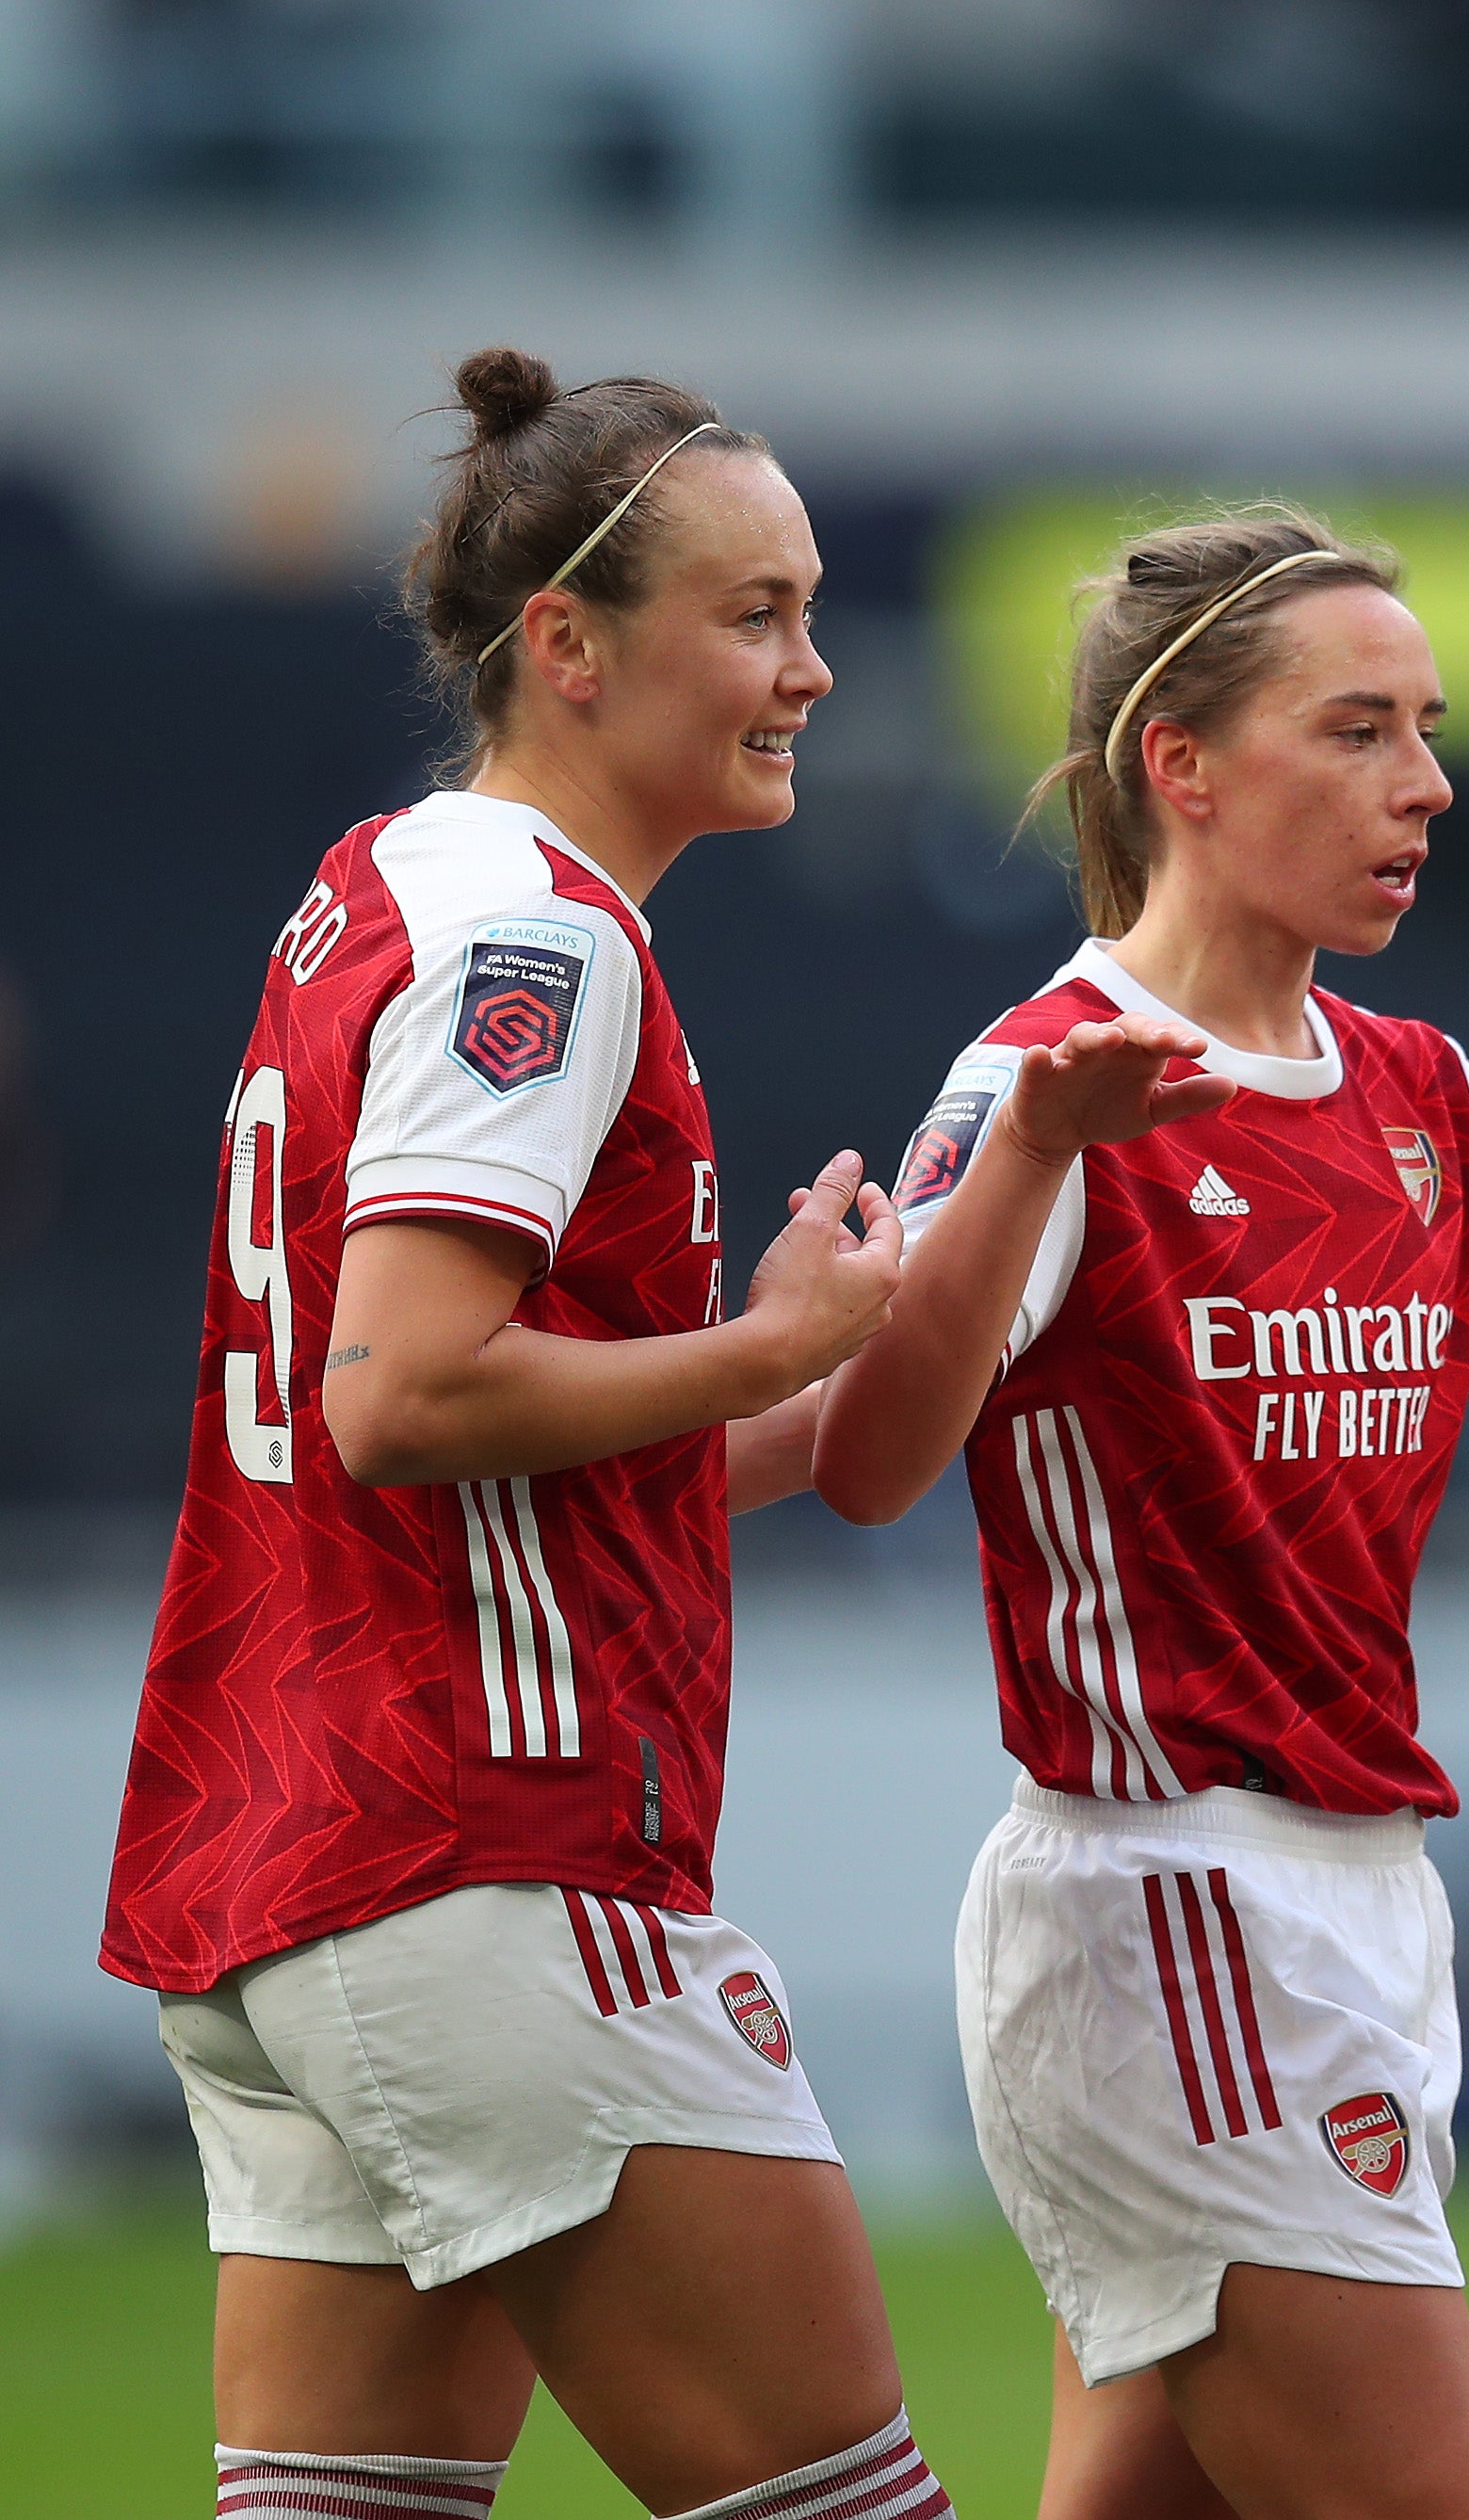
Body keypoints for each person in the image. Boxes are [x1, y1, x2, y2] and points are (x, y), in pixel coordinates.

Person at [103, 349, 949, 2520]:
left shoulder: (383, 884)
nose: (812, 668)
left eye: (811, 606)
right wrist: (763, 1355)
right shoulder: (538, 941)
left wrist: (802, 1372)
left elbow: (511, 1441)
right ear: (565, 645)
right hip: (483, 1852)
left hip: (288, 1861)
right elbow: (401, 1396)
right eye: (753, 614)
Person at [808, 505, 1469, 2520]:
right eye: (1360, 729)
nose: (1430, 784)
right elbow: (870, 1464)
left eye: (1430, 729)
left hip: (1357, 1902)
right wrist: (1031, 1158)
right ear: (1179, 768)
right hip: (1173, 1901)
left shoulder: (1423, 1093)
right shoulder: (1043, 1082)